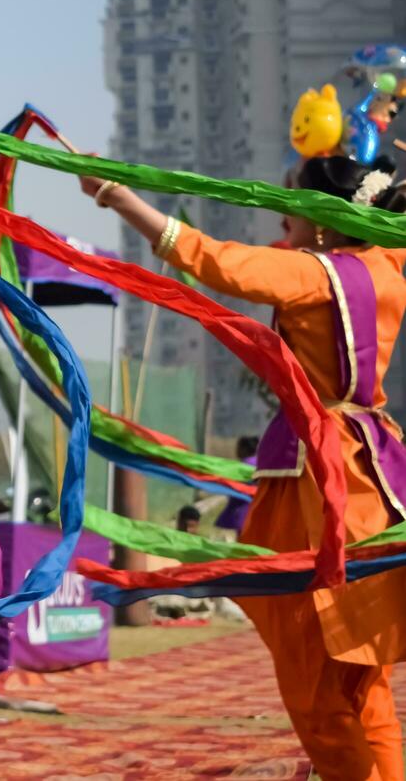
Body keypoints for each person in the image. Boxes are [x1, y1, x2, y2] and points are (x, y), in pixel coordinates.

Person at [81, 154, 406, 780]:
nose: (281, 215)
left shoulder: (310, 276)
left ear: (319, 221)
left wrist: (121, 199)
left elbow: (220, 262)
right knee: (365, 683)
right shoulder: (387, 266)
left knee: (312, 680)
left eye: (291, 204)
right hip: (375, 476)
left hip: (318, 485)